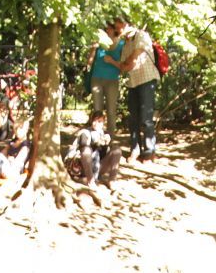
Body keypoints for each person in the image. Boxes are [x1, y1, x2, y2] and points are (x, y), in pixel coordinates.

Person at [111, 16, 159, 160]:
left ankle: (149, 152)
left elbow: (133, 58)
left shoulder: (142, 36)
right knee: (133, 120)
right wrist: (126, 62)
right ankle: (135, 149)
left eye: (118, 27)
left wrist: (127, 61)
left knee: (146, 118)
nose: (117, 30)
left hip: (147, 79)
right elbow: (124, 67)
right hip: (132, 83)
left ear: (126, 25)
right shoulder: (125, 44)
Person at [66, 112, 112, 188]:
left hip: (95, 166)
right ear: (91, 121)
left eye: (100, 122)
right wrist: (98, 143)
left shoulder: (102, 133)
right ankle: (90, 181)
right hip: (78, 165)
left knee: (116, 150)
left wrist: (106, 145)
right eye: (95, 121)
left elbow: (102, 155)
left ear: (103, 123)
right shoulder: (85, 132)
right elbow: (84, 148)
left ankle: (112, 181)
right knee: (87, 150)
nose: (97, 123)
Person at [88, 28, 122, 128]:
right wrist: (94, 48)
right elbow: (89, 62)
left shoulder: (121, 44)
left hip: (112, 80)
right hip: (97, 79)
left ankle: (110, 138)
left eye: (110, 27)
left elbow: (123, 67)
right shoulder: (99, 42)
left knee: (111, 110)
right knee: (97, 110)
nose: (107, 30)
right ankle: (97, 137)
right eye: (106, 28)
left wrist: (112, 61)